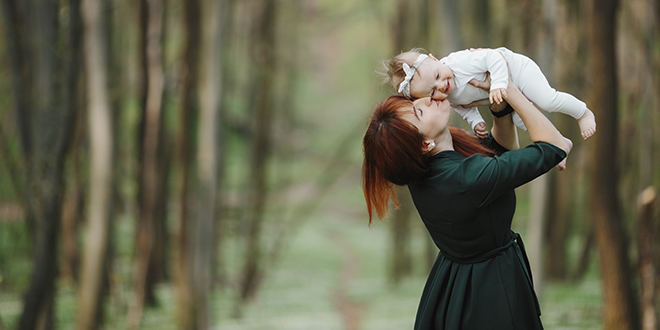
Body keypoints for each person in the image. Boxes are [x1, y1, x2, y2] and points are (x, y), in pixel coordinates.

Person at [362, 77, 572, 329]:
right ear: (425, 144)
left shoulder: (429, 169)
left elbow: (499, 151)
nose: (428, 99)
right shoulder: (465, 178)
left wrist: (498, 107)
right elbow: (556, 146)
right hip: (492, 289)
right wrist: (512, 92)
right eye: (420, 111)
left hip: (454, 283)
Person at [381, 47, 596, 140]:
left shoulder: (458, 63)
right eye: (433, 90)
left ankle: (582, 113)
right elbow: (465, 108)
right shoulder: (448, 98)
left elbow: (493, 57)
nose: (442, 86)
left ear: (435, 59)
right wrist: (475, 122)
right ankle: (557, 142)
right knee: (523, 122)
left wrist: (499, 84)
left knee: (547, 100)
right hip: (506, 96)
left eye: (438, 76)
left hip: (516, 70)